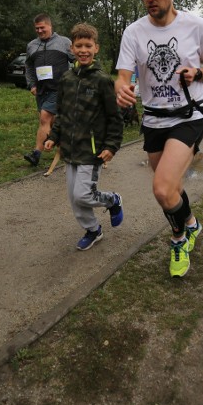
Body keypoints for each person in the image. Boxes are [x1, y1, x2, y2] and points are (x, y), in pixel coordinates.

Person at [114, 0, 203, 278]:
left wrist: (199, 72)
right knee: (172, 188)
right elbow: (122, 75)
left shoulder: (195, 26)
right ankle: (191, 223)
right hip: (153, 120)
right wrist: (121, 89)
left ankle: (178, 239)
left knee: (162, 190)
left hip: (189, 115)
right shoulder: (133, 32)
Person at [44, 23, 124, 250]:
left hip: (92, 150)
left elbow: (114, 117)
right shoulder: (67, 79)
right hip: (70, 149)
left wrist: (112, 146)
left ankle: (113, 200)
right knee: (74, 198)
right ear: (72, 48)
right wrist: (54, 136)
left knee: (83, 195)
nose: (83, 50)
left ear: (96, 48)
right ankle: (93, 230)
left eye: (88, 45)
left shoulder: (102, 80)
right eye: (79, 45)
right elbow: (61, 113)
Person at [23, 13, 74, 167]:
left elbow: (77, 59)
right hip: (41, 90)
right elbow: (29, 67)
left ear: (50, 26)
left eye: (42, 27)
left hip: (59, 88)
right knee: (50, 121)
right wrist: (31, 84)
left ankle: (36, 154)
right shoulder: (32, 45)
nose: (39, 31)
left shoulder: (64, 42)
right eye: (37, 28)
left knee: (44, 118)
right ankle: (66, 146)